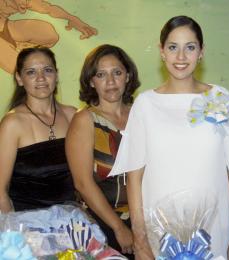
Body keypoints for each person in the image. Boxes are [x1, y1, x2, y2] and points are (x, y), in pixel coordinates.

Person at [110, 15, 229, 260]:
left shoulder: (220, 98)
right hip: (160, 233)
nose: (181, 57)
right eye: (173, 47)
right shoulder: (145, 104)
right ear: (162, 51)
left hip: (215, 230)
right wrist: (140, 238)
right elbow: (134, 177)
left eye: (190, 47)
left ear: (202, 52)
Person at [65, 44, 140, 258]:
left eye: (117, 72)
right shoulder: (85, 120)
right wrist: (118, 227)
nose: (110, 81)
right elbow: (83, 183)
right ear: (91, 80)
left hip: (146, 222)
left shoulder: (141, 114)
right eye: (101, 74)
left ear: (128, 76)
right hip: (104, 227)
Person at [0, 46, 76, 212]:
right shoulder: (12, 123)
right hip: (28, 227)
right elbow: (0, 191)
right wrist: (14, 233)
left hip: (75, 226)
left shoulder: (74, 116)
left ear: (56, 75)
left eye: (47, 70)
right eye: (31, 72)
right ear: (19, 79)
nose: (41, 78)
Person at [0, 0, 97, 74]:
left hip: (8, 27)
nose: (23, 8)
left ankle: (16, 45)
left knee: (50, 34)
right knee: (18, 68)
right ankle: (10, 49)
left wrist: (73, 19)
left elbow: (48, 8)